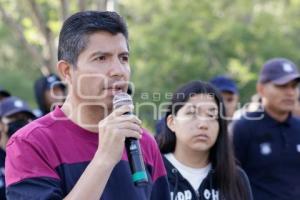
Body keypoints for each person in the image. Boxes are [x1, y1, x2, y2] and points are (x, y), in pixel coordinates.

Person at [5, 11, 170, 200]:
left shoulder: (144, 142)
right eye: (101, 58)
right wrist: (104, 159)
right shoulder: (30, 143)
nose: (118, 71)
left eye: (123, 58)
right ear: (66, 71)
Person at [156, 80, 253, 200]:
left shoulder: (236, 178)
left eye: (211, 115)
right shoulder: (153, 174)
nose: (203, 124)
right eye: (191, 113)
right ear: (171, 122)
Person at [231, 58, 300, 200]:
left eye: (294, 86)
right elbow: (229, 180)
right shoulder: (243, 128)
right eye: (282, 86)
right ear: (261, 89)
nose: (290, 92)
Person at [0, 96, 36, 200]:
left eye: (24, 118)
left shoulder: (38, 154)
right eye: (14, 118)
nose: (20, 122)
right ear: (1, 124)